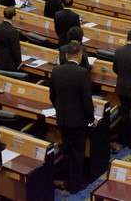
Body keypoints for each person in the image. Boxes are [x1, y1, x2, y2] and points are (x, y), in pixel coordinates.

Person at [50, 41, 95, 194]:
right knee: (77, 154)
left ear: (67, 55)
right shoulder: (82, 73)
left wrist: (60, 110)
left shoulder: (56, 71)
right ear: (80, 56)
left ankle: (67, 179)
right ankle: (74, 185)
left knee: (67, 151)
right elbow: (86, 101)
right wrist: (91, 119)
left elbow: (52, 96)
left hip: (62, 119)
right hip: (78, 122)